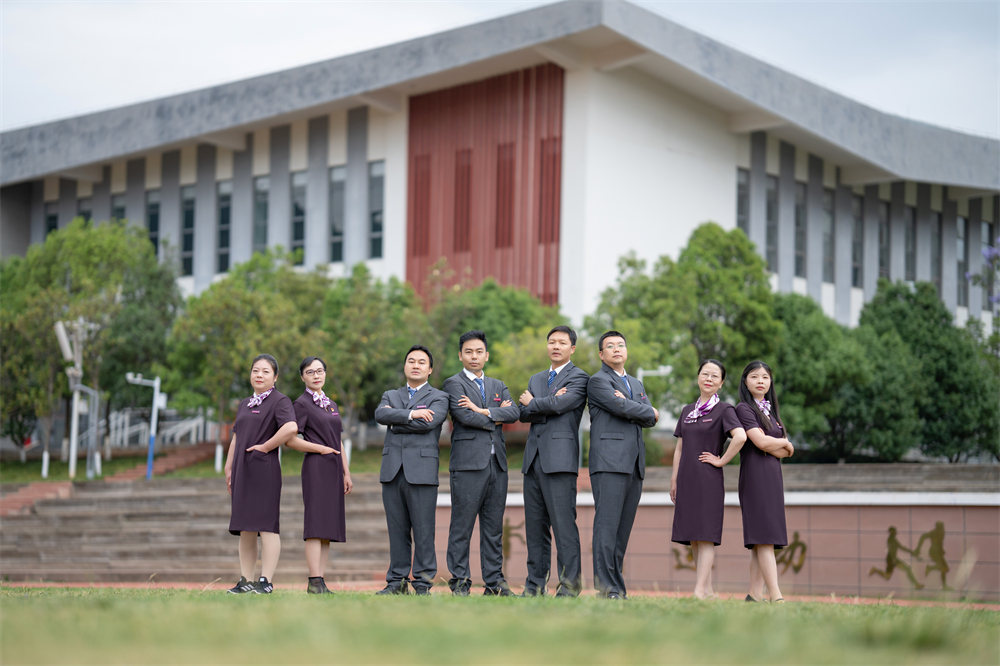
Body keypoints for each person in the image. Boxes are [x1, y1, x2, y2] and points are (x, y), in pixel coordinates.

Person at [700, 360, 793, 603]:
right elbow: (761, 443)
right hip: (756, 478)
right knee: (764, 538)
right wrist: (784, 443)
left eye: (765, 377)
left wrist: (777, 445)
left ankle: (755, 595)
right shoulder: (744, 409)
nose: (760, 381)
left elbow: (778, 450)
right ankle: (776, 596)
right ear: (745, 382)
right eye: (754, 376)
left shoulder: (770, 411)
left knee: (764, 539)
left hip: (773, 477)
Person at [443, 330, 521, 596]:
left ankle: (494, 583)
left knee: (493, 528)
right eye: (468, 352)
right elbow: (465, 417)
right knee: (462, 527)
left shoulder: (498, 385)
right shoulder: (453, 384)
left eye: (479, 352)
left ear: (487, 355)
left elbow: (514, 413)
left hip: (497, 465)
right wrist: (496, 416)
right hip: (467, 465)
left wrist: (483, 410)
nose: (474, 356)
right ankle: (460, 583)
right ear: (460, 355)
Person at [518, 325, 589, 597]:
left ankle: (569, 586)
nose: (556, 346)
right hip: (532, 461)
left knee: (563, 526)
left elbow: (562, 405)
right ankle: (534, 586)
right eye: (551, 342)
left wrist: (536, 402)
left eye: (562, 342)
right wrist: (545, 402)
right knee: (535, 528)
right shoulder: (536, 378)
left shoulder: (579, 377)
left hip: (560, 461)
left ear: (572, 348)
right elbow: (523, 414)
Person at [587, 330, 659, 599]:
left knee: (622, 530)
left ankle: (616, 588)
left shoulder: (635, 383)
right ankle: (606, 588)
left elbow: (650, 419)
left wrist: (636, 407)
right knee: (606, 528)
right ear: (601, 354)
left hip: (634, 463)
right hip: (609, 462)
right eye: (610, 346)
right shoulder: (597, 381)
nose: (617, 349)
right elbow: (627, 409)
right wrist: (642, 408)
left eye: (621, 345)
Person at [374, 345, 449, 595]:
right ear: (405, 366)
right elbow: (380, 415)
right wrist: (413, 415)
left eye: (421, 362)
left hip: (422, 471)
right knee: (397, 530)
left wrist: (396, 420)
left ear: (430, 369)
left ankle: (423, 583)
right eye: (411, 361)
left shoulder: (439, 397)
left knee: (424, 531)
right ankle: (396, 581)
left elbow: (429, 424)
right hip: (392, 471)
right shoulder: (390, 395)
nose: (415, 365)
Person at [670, 359, 746, 600]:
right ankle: (708, 590)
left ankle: (698, 591)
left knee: (706, 537)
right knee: (694, 536)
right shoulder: (687, 411)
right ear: (698, 377)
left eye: (715, 376)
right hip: (686, 480)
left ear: (721, 383)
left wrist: (721, 460)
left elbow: (740, 437)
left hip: (708, 480)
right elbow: (679, 448)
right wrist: (674, 479)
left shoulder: (725, 410)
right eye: (705, 374)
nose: (709, 379)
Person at [225, 354, 298, 594]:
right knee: (245, 527)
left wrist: (266, 447)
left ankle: (266, 580)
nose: (259, 375)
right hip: (241, 470)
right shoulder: (245, 403)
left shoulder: (280, 401)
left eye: (266, 371)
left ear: (275, 377)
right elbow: (236, 436)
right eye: (256, 370)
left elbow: (291, 427)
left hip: (264, 471)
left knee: (267, 526)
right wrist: (229, 466)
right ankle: (246, 580)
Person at [285, 356, 354, 595]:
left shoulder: (331, 404)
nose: (316, 375)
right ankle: (314, 581)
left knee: (327, 527)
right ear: (302, 376)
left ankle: (320, 581)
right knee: (316, 525)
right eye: (310, 372)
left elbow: (338, 440)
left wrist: (346, 472)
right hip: (316, 467)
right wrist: (320, 449)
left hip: (334, 469)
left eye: (320, 371)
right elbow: (290, 439)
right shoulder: (301, 404)